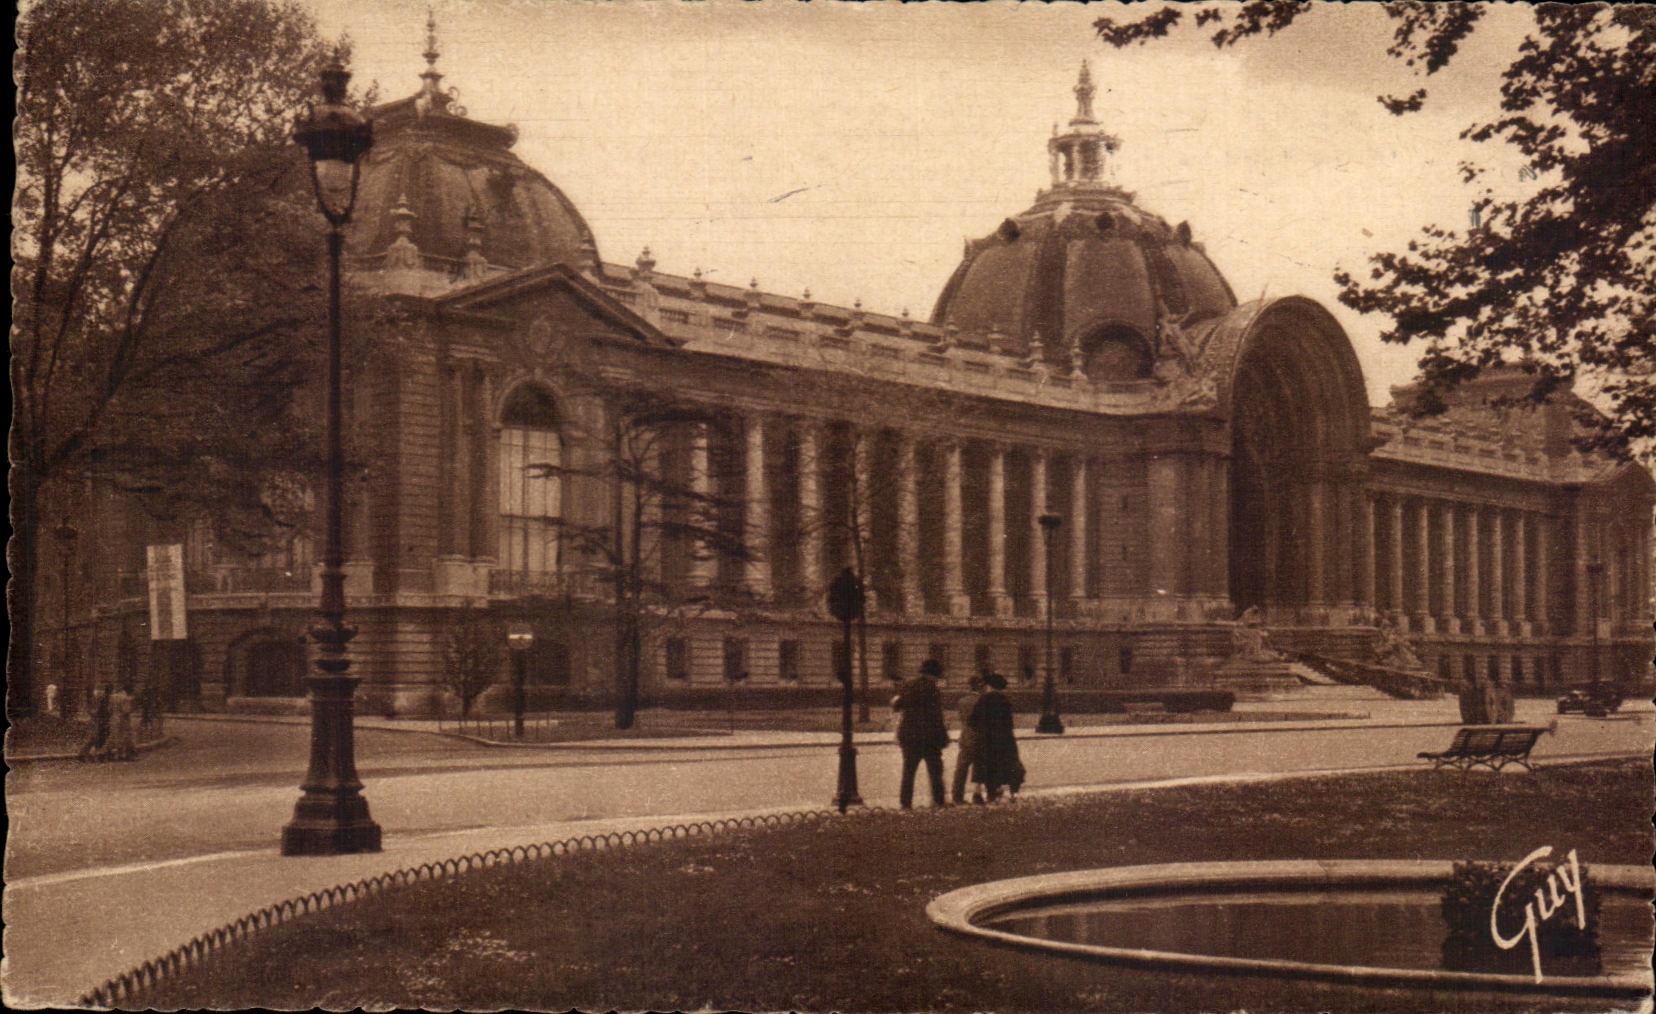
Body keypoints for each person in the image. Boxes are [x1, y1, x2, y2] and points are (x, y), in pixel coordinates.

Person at [893, 658, 950, 809]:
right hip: (929, 738)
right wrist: (943, 737)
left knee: (909, 772)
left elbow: (896, 705)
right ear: (934, 675)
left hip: (909, 736)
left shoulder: (908, 686)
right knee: (935, 772)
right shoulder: (933, 689)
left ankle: (905, 803)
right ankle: (938, 801)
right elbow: (936, 716)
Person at [971, 672, 1024, 802]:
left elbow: (973, 721)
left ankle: (985, 794)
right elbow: (1009, 723)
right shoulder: (1005, 701)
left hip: (986, 739)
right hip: (1004, 740)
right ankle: (1012, 793)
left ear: (989, 686)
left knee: (985, 766)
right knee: (1008, 765)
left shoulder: (983, 700)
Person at [951, 674, 987, 805]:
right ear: (980, 686)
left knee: (961, 769)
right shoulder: (984, 701)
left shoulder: (962, 701)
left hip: (966, 737)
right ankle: (978, 795)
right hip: (980, 739)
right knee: (980, 768)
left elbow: (963, 720)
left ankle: (957, 796)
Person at [78, 684, 112, 763]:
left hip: (100, 720)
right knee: (94, 738)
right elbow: (100, 711)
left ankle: (93, 755)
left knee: (99, 738)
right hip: (100, 721)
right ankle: (85, 754)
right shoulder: (103, 699)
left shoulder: (101, 698)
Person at [107, 683, 137, 761]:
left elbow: (109, 709)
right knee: (125, 736)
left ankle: (108, 754)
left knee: (114, 736)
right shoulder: (125, 698)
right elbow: (126, 711)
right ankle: (125, 755)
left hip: (113, 718)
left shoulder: (113, 696)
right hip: (122, 719)